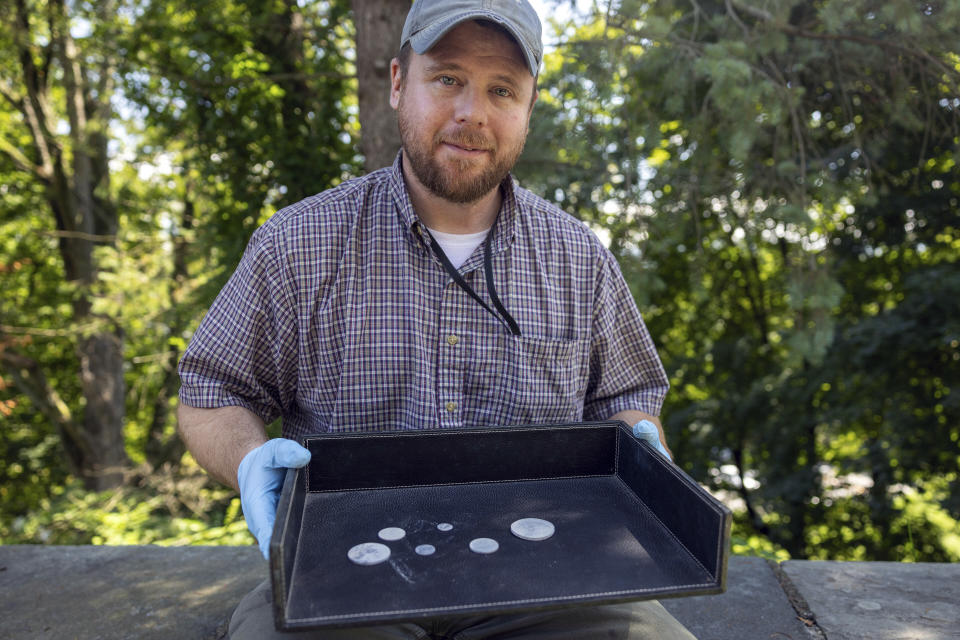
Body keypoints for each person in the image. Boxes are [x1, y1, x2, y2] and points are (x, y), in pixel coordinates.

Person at [177, 0, 693, 637]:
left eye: (502, 89)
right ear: (398, 82)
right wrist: (249, 460)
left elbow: (626, 399)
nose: (472, 112)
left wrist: (639, 442)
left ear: (528, 109)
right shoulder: (298, 244)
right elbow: (210, 395)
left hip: (553, 577)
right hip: (343, 577)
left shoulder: (578, 257)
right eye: (447, 78)